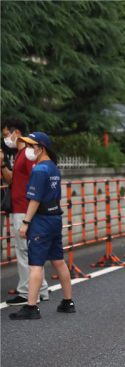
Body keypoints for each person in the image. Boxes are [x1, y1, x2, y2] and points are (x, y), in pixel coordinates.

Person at [9, 132, 75, 319]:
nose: (28, 149)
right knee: (59, 261)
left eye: (31, 146)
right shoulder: (53, 167)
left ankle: (31, 307)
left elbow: (35, 200)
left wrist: (26, 223)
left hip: (41, 221)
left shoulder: (39, 169)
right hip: (55, 218)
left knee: (35, 265)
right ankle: (67, 301)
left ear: (41, 147)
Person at [1, 118, 51, 306]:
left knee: (24, 251)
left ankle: (26, 292)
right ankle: (41, 289)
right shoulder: (21, 154)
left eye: (6, 135)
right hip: (24, 207)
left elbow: (37, 179)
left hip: (25, 208)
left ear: (17, 133)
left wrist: (31, 214)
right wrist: (3, 164)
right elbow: (13, 180)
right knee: (31, 251)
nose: (5, 139)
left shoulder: (28, 154)